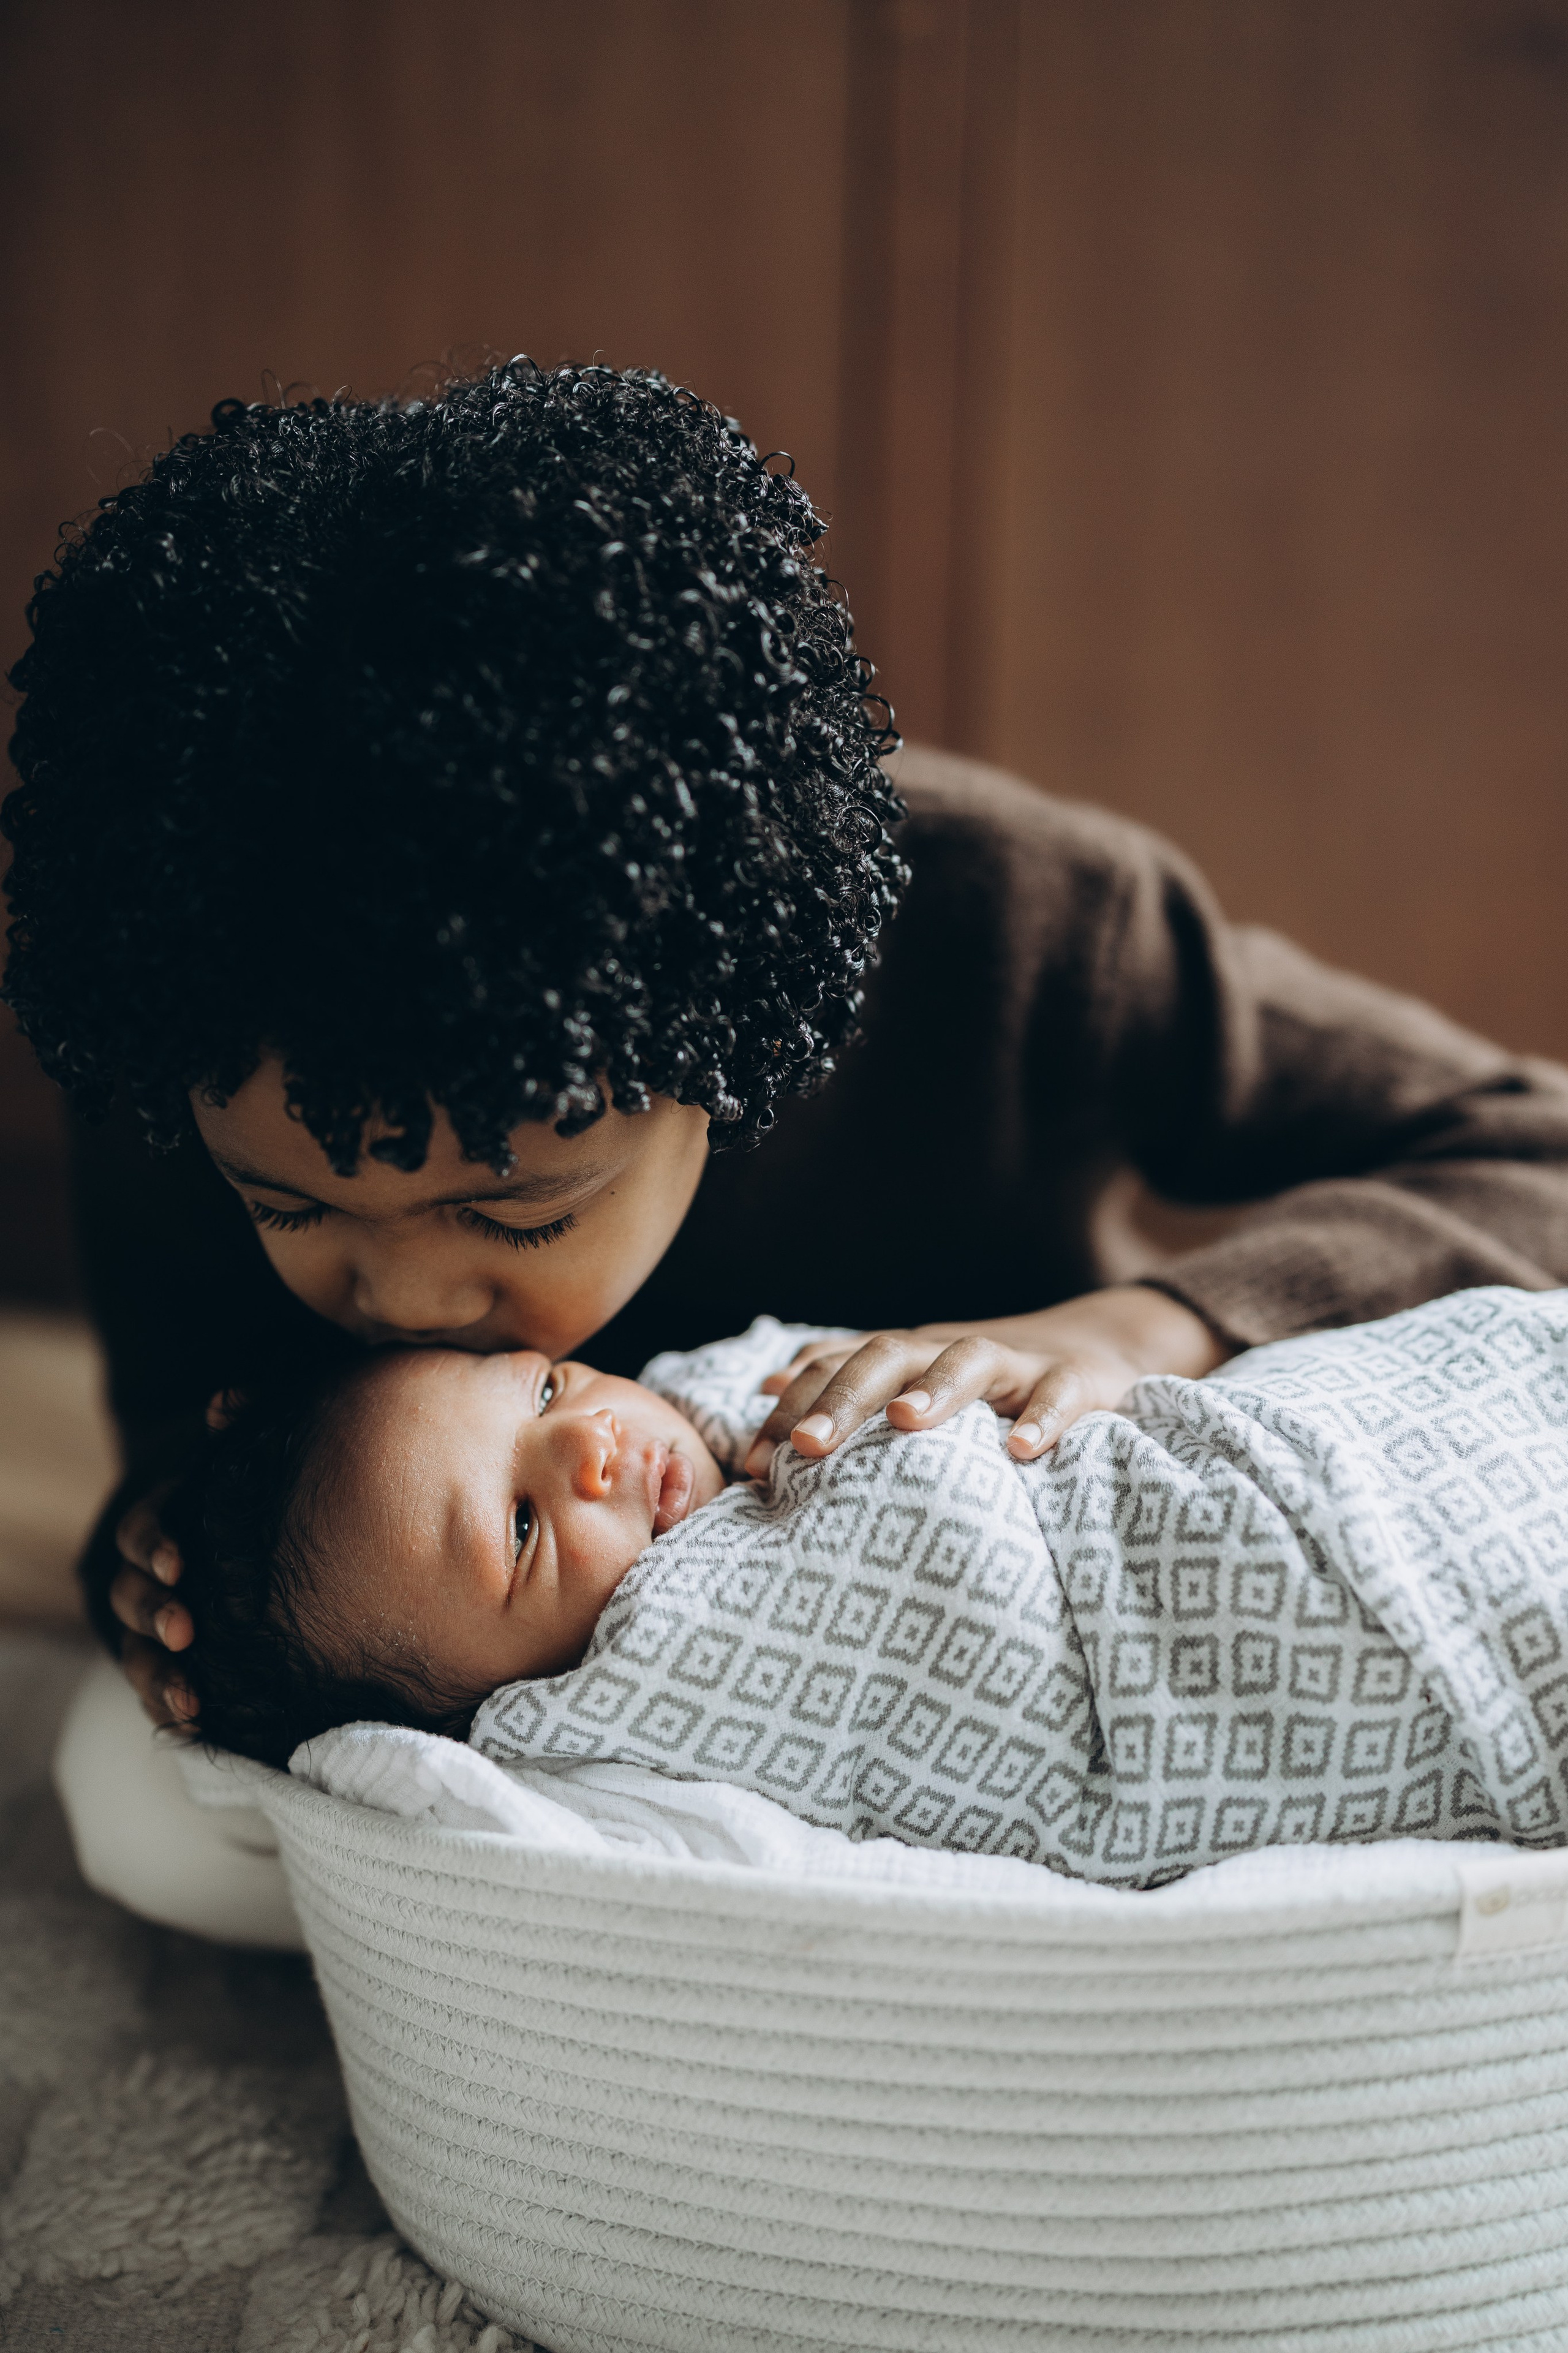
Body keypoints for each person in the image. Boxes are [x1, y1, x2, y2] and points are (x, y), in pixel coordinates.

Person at [7, 357, 1568, 1935]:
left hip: (1060, 1602)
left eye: (518, 1208)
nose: (402, 1298)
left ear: (729, 1047)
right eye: (288, 1203)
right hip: (617, 1744)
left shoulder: (1010, 920)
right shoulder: (196, 994)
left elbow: (1533, 1144)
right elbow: (231, 1520)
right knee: (149, 1815)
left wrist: (1141, 1326)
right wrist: (164, 1580)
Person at [167, 1292, 1568, 1891]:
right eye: (526, 1525)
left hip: (1279, 1453)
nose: (591, 1441)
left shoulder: (721, 1396)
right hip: (1294, 1631)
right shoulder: (620, 1706)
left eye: (538, 1390)